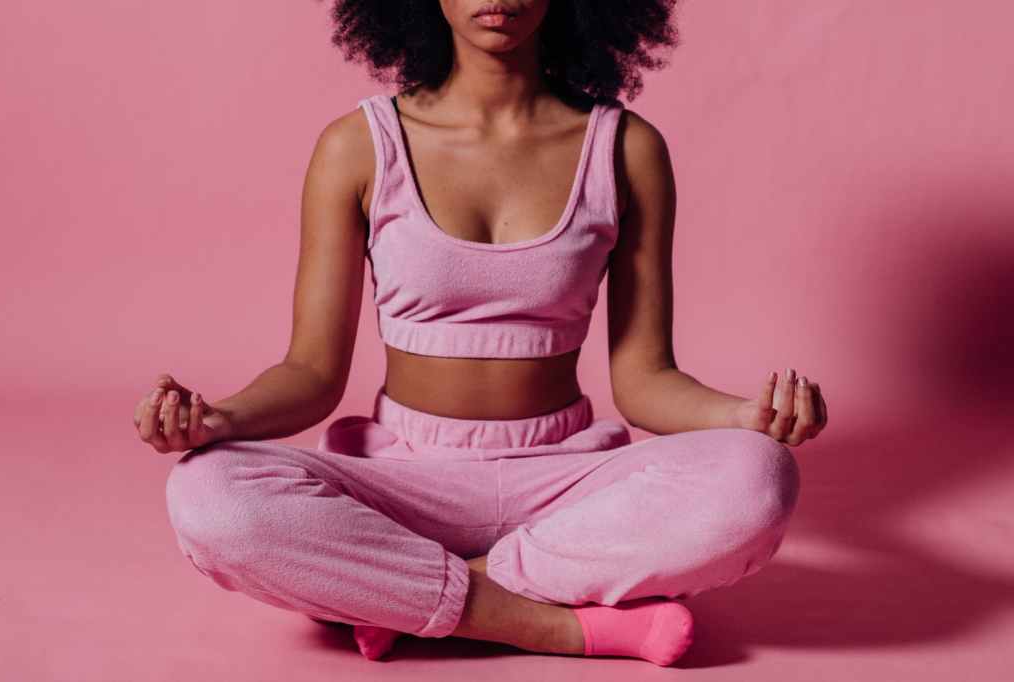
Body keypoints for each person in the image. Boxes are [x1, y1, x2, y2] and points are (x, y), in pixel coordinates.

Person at [133, 0, 828, 667]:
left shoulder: (626, 149)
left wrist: (744, 418)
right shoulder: (357, 148)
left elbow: (645, 381)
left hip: (563, 481)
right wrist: (220, 419)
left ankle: (400, 595)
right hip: (399, 482)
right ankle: (552, 626)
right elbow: (311, 372)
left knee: (757, 475)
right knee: (208, 493)